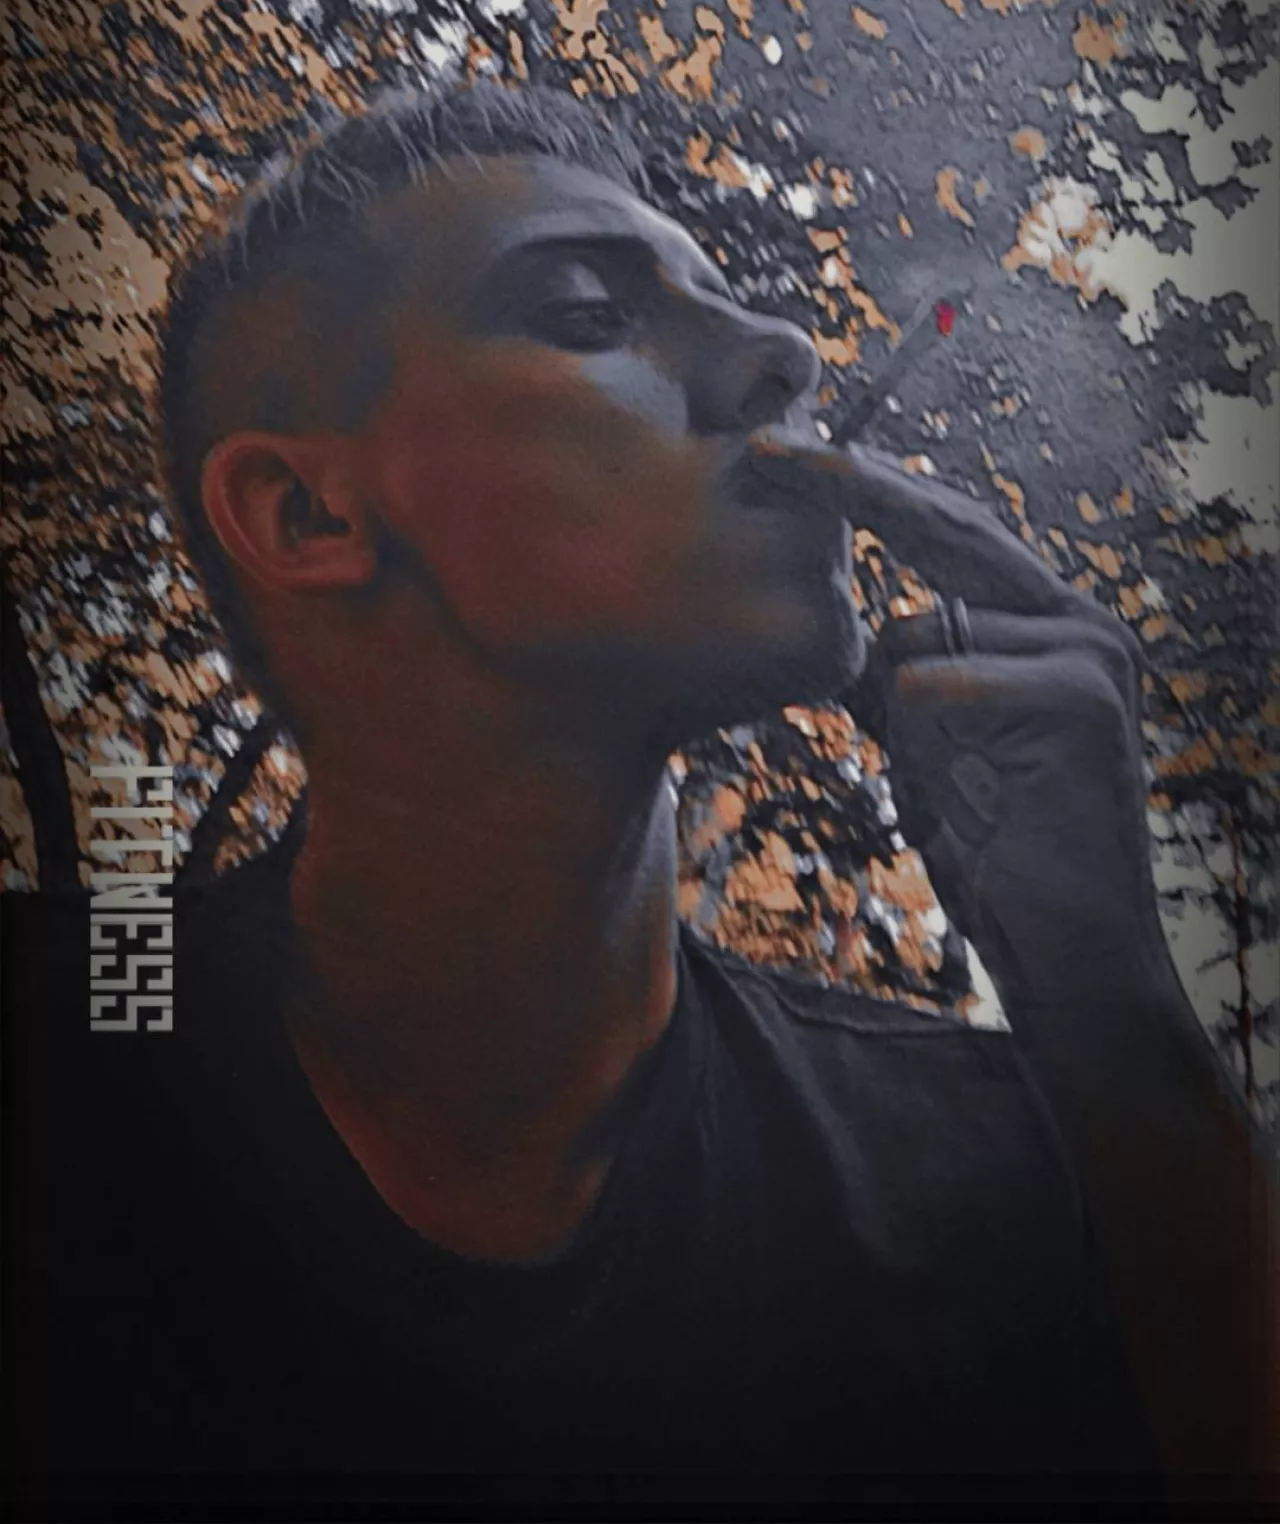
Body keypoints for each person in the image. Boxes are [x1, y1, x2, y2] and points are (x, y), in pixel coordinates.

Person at [5, 80, 1274, 1511]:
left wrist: (1114, 1009)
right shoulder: (76, 1047)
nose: (788, 351)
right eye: (585, 313)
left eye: (733, 300)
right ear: (306, 514)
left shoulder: (1005, 1169)